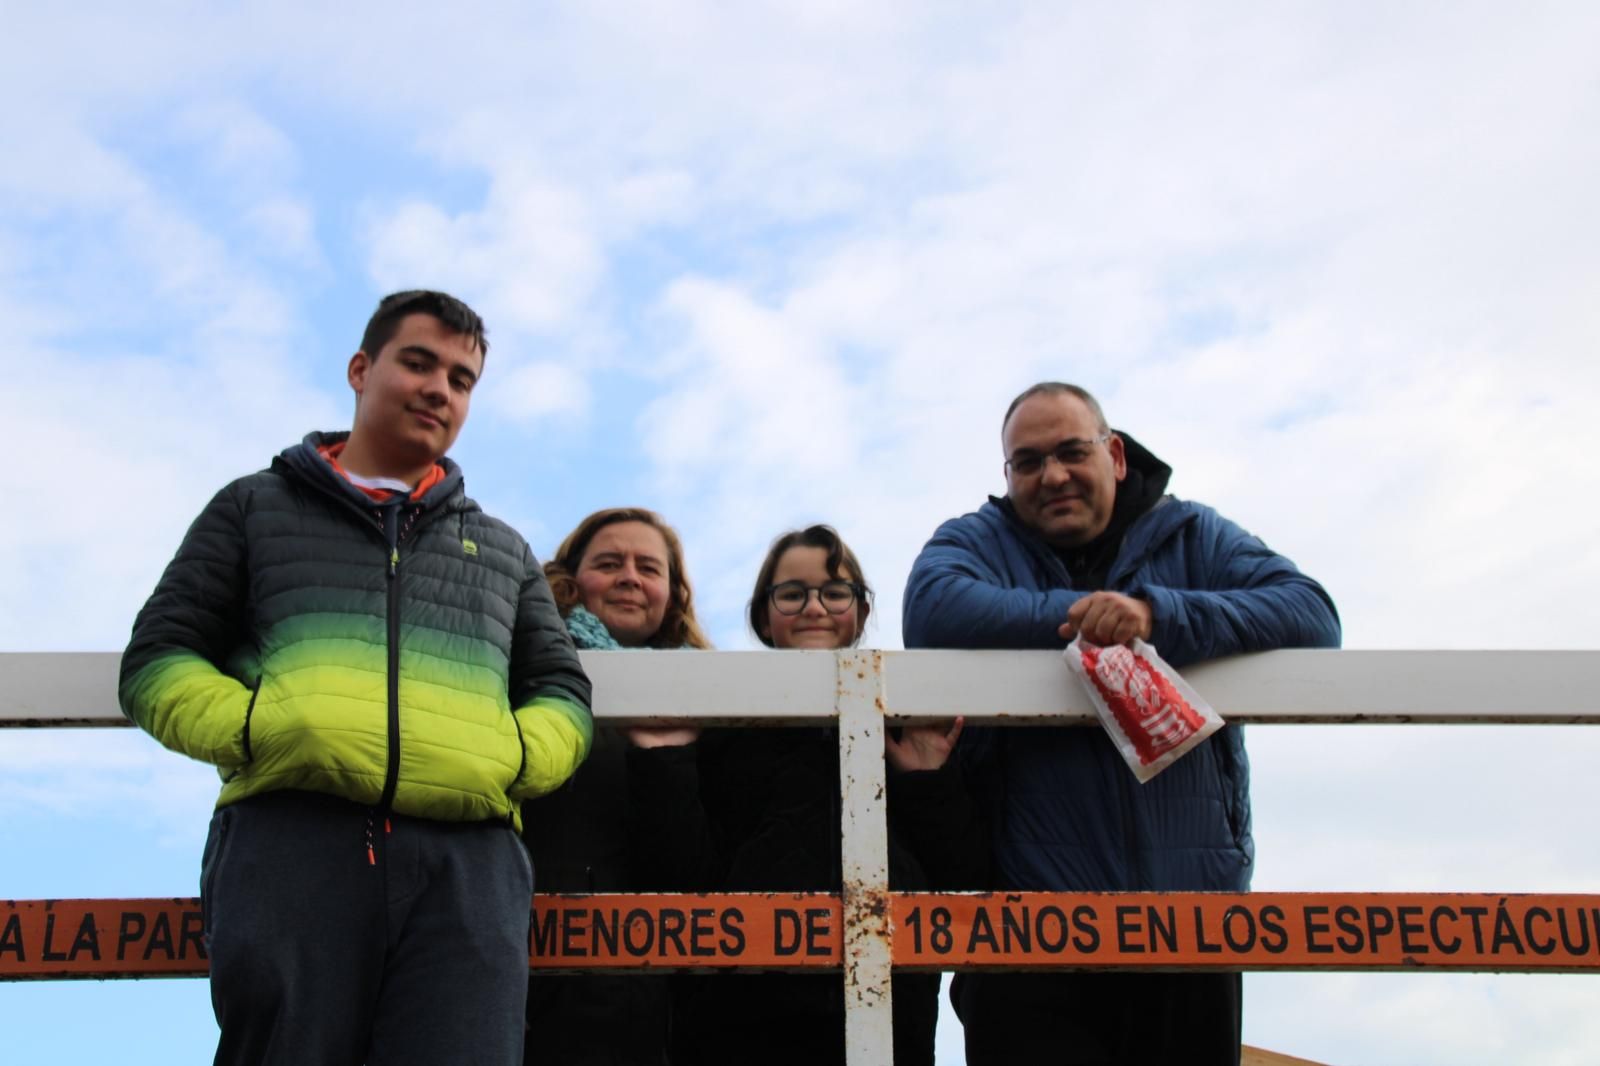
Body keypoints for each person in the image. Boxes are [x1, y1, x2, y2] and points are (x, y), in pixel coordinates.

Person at [118, 290, 593, 1066]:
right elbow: (158, 659)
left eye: (462, 379)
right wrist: (262, 731)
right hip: (291, 839)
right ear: (360, 369)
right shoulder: (253, 508)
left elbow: (562, 693)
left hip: (469, 861)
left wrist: (510, 758)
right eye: (419, 363)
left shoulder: (504, 550)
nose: (439, 389)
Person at [903, 382, 1341, 1065]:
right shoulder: (977, 539)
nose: (1052, 476)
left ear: (1115, 456)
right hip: (1028, 932)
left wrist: (1159, 614)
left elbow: (1312, 614)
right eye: (1028, 462)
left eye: (1071, 452)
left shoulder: (1194, 534)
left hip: (1191, 927)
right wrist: (1091, 616)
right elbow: (933, 611)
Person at [628, 524, 986, 1066]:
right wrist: (668, 762)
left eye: (834, 592)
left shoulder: (906, 727)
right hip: (736, 1022)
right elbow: (677, 875)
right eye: (792, 593)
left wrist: (926, 779)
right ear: (763, 616)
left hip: (891, 1017)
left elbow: (962, 881)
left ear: (861, 611)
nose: (814, 607)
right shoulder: (724, 727)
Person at [521, 507, 712, 1066]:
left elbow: (694, 874)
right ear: (571, 578)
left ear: (671, 594)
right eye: (609, 563)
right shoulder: (522, 669)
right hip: (530, 987)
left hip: (652, 1010)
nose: (630, 577)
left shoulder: (712, 699)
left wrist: (665, 761)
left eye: (648, 568)